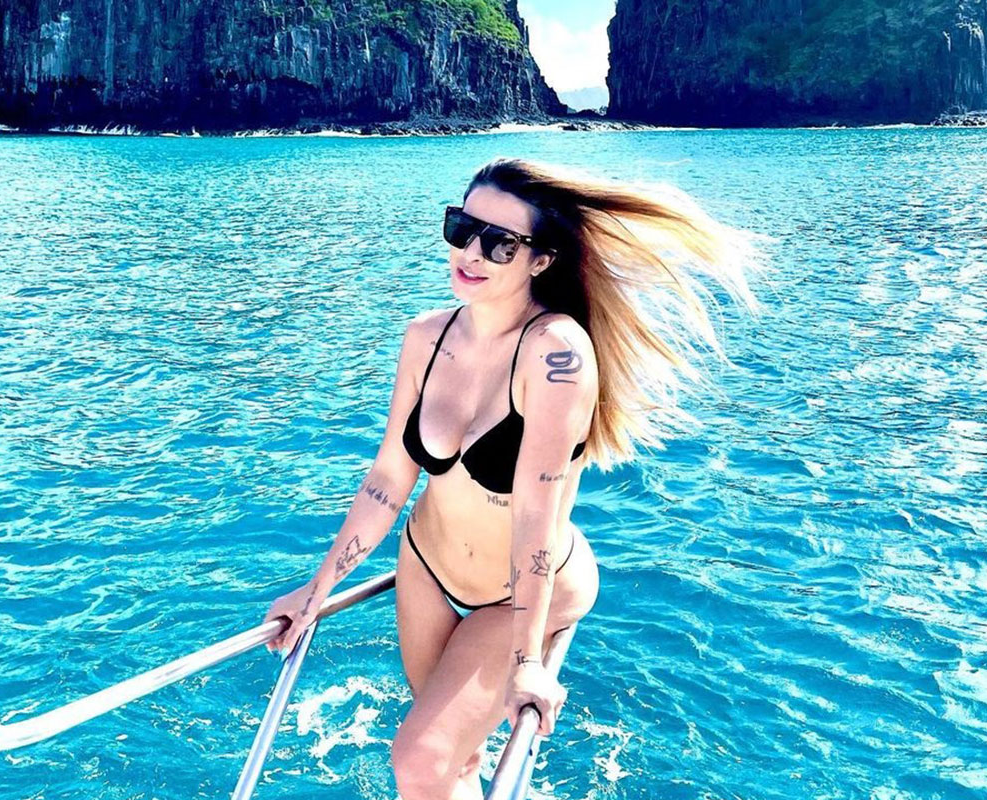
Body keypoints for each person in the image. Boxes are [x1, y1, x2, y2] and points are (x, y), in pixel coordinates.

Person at [263, 157, 769, 799]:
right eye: (461, 229)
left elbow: (535, 515)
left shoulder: (556, 354)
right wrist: (318, 589)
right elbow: (390, 476)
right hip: (427, 566)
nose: (471, 253)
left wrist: (528, 662)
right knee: (453, 763)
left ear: (540, 260)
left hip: (521, 590)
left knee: (418, 759)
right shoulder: (425, 337)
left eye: (500, 243)